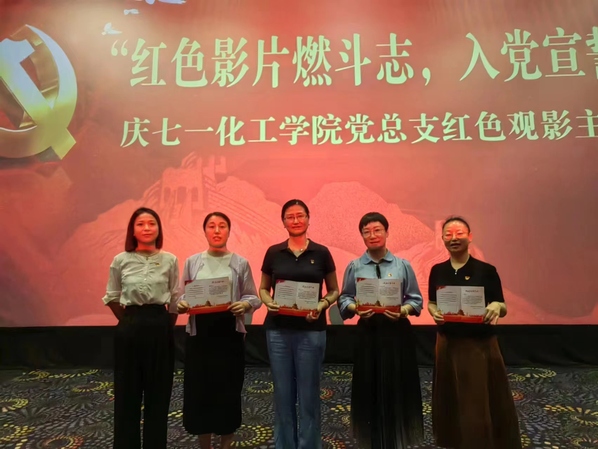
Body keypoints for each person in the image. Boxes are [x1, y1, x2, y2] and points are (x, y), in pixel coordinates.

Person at [427, 216, 522, 449]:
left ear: (470, 237)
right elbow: (431, 302)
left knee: (476, 401)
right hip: (447, 343)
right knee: (450, 398)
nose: (454, 238)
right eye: (448, 234)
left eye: (459, 233)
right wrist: (434, 311)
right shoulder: (437, 270)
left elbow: (501, 305)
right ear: (442, 239)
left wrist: (496, 307)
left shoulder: (486, 271)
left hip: (478, 345)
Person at [338, 212, 424, 449]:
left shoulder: (402, 266)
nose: (372, 235)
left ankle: (396, 442)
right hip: (368, 335)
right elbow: (344, 298)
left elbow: (416, 300)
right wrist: (355, 308)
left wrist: (403, 310)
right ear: (362, 236)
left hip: (397, 335)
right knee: (369, 388)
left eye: (377, 230)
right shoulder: (354, 266)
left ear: (387, 232)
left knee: (397, 388)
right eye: (366, 232)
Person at [259, 199, 339, 449]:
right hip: (278, 332)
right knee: (282, 395)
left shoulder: (322, 252)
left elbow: (334, 290)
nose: (295, 220)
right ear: (283, 222)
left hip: (311, 332)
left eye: (300, 215)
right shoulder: (273, 252)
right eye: (290, 217)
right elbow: (263, 289)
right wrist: (268, 302)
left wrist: (322, 304)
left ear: (308, 218)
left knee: (309, 395)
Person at [177, 212, 261, 449]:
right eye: (211, 226)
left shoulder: (240, 263)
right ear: (204, 231)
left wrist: (245, 305)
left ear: (229, 231)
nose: (216, 231)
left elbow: (253, 297)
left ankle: (225, 444)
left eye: (222, 226)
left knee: (228, 390)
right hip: (199, 337)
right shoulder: (193, 262)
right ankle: (205, 445)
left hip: (229, 336)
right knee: (200, 391)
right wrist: (182, 303)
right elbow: (181, 296)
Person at [102, 207, 179, 449]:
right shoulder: (120, 260)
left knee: (159, 394)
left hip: (160, 326)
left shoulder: (170, 260)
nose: (147, 228)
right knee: (127, 394)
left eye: (151, 223)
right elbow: (112, 297)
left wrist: (162, 324)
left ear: (159, 229)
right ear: (132, 231)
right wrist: (130, 320)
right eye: (141, 224)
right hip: (130, 327)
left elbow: (175, 299)